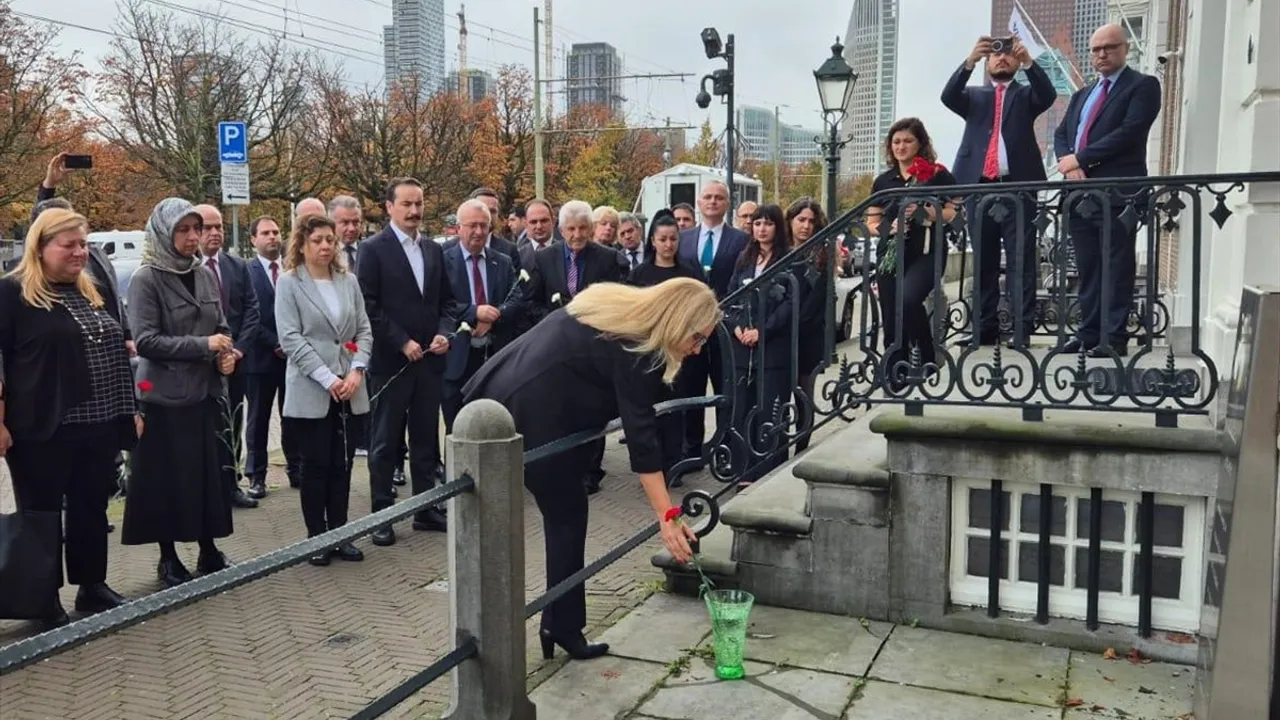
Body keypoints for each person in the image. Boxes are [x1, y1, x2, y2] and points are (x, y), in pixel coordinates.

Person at [462, 277, 718, 661]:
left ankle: (557, 623)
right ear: (677, 321)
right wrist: (667, 515)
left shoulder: (618, 308)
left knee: (563, 512)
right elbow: (642, 437)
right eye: (697, 338)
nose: (697, 350)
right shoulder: (637, 346)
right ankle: (548, 629)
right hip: (526, 411)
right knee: (565, 514)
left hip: (503, 388)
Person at [0, 208, 140, 627]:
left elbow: (116, 351)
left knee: (90, 507)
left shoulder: (92, 289)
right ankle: (40, 598)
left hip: (99, 422)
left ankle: (91, 586)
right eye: (69, 245)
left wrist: (130, 409)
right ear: (41, 248)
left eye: (83, 244)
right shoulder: (12, 293)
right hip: (42, 425)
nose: (80, 252)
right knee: (41, 513)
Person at [124, 198, 238, 587]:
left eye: (197, 229)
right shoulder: (146, 278)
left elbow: (221, 325)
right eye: (184, 230)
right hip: (164, 398)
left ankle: (208, 549)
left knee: (206, 475)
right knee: (167, 479)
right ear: (164, 233)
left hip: (205, 392)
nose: (193, 237)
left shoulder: (203, 274)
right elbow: (146, 341)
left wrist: (226, 354)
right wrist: (204, 346)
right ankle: (168, 558)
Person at [356, 177, 459, 546]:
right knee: (385, 442)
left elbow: (448, 302)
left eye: (419, 203)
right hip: (391, 363)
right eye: (407, 204)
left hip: (429, 362)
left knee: (425, 440)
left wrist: (445, 333)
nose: (415, 211)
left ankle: (425, 509)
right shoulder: (372, 249)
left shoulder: (433, 250)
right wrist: (401, 341)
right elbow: (368, 305)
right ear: (389, 207)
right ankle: (382, 515)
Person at [1053, 23, 1161, 357]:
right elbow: (1061, 135)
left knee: (1116, 266)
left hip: (1119, 194)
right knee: (1088, 268)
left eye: (1109, 47)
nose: (1102, 54)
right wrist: (1070, 164)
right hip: (1079, 193)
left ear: (1125, 48)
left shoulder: (1143, 86)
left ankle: (1113, 337)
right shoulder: (1082, 95)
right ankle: (1088, 334)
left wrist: (1081, 158)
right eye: (1096, 49)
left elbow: (1130, 132)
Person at [942, 35, 1057, 347]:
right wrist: (970, 60)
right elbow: (948, 96)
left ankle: (1021, 329)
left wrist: (1030, 62)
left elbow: (1047, 96)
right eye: (995, 54)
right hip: (979, 187)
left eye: (1008, 54)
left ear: (1016, 61)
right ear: (988, 62)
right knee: (984, 261)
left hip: (1019, 186)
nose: (1002, 58)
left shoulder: (1026, 95)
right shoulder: (973, 96)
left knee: (1022, 259)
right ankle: (984, 328)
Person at [275, 213, 372, 566]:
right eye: (317, 240)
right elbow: (291, 338)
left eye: (330, 240)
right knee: (316, 465)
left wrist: (357, 370)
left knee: (342, 464)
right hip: (312, 389)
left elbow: (364, 330)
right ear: (301, 244)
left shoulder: (348, 281)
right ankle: (316, 538)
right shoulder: (289, 283)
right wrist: (328, 379)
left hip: (349, 387)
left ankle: (341, 534)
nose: (325, 246)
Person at [524, 200, 626, 494]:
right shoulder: (544, 258)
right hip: (556, 346)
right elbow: (532, 302)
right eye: (571, 229)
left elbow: (615, 301)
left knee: (592, 406)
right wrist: (556, 320)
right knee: (559, 407)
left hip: (593, 346)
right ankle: (562, 464)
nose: (577, 235)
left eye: (583, 228)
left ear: (591, 229)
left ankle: (592, 469)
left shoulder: (608, 258)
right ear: (561, 230)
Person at [866, 118, 960, 392]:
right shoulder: (883, 181)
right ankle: (897, 371)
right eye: (896, 142)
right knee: (891, 313)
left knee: (908, 299)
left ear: (920, 143)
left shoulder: (938, 175)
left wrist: (929, 212)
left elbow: (955, 214)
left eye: (908, 141)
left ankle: (927, 355)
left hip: (926, 251)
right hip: (891, 253)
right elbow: (872, 223)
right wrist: (891, 227)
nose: (901, 146)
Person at [627, 211, 706, 485]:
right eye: (663, 239)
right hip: (648, 351)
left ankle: (674, 465)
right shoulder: (640, 273)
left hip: (679, 353)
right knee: (649, 411)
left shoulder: (688, 274)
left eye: (673, 239)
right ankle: (651, 468)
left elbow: (700, 310)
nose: (668, 244)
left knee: (674, 411)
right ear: (653, 241)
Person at [676, 182, 750, 468]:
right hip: (690, 329)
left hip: (725, 328)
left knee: (725, 389)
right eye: (707, 197)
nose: (712, 201)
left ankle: (725, 449)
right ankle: (691, 450)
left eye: (719, 198)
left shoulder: (741, 240)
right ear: (699, 202)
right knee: (691, 389)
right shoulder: (683, 239)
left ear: (727, 204)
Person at [194, 204, 261, 510]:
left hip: (235, 362)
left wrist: (238, 350)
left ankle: (231, 483)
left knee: (233, 422)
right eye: (207, 227)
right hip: (200, 365)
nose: (215, 233)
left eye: (219, 226)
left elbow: (251, 310)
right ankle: (205, 488)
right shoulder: (187, 269)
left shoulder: (237, 266)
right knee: (204, 427)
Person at [441, 199, 525, 432]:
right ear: (459, 228)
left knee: (496, 427)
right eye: (472, 225)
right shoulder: (442, 260)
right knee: (457, 430)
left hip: (495, 357)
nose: (478, 231)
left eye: (484, 225)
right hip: (456, 359)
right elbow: (439, 303)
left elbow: (517, 299)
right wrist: (474, 312)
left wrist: (493, 317)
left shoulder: (502, 261)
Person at [725, 204, 795, 483]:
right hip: (743, 349)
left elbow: (789, 303)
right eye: (757, 224)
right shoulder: (744, 258)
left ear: (778, 227)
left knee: (769, 410)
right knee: (743, 409)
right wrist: (737, 326)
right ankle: (742, 470)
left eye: (768, 223)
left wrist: (762, 332)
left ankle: (769, 471)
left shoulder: (789, 258)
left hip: (772, 349)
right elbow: (730, 296)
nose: (762, 229)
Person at [786, 198, 829, 453]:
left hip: (808, 336)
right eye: (800, 220)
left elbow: (818, 300)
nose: (805, 226)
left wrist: (796, 324)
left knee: (804, 394)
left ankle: (801, 447)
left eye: (811, 221)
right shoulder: (781, 252)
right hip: (782, 335)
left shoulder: (821, 255)